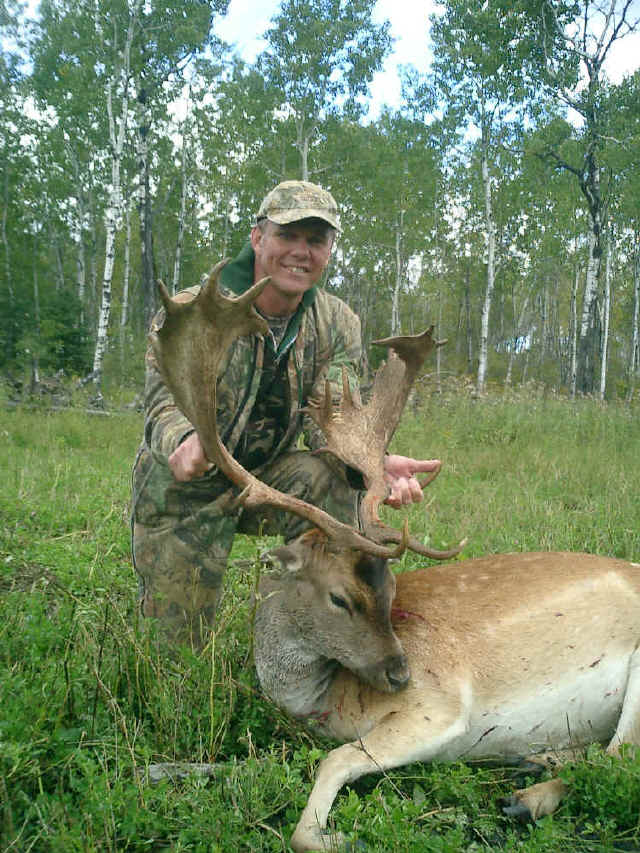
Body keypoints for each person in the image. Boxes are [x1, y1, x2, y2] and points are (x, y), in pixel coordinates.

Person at [131, 180, 440, 648]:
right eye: (288, 236)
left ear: (330, 250)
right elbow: (162, 403)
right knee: (174, 657)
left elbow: (334, 413)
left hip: (270, 477)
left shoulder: (336, 323)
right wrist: (182, 441)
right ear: (258, 239)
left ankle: (321, 631)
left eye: (316, 240)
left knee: (334, 479)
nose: (301, 252)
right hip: (184, 488)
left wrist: (374, 463)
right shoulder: (193, 312)